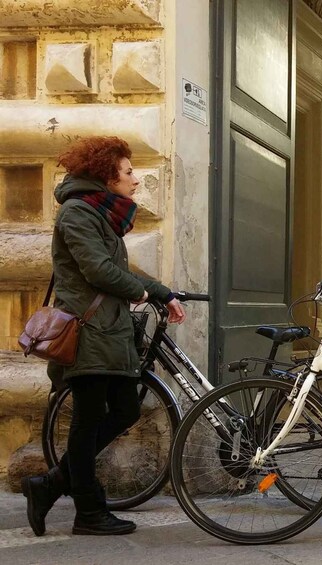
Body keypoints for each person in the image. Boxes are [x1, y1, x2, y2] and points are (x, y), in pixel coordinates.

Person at [23, 136, 186, 536]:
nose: (135, 179)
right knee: (88, 419)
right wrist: (144, 292)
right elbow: (97, 270)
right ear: (105, 175)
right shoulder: (78, 213)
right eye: (128, 172)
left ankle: (49, 485)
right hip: (87, 331)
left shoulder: (100, 214)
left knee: (125, 411)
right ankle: (88, 512)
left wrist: (162, 292)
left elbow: (114, 268)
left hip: (107, 332)